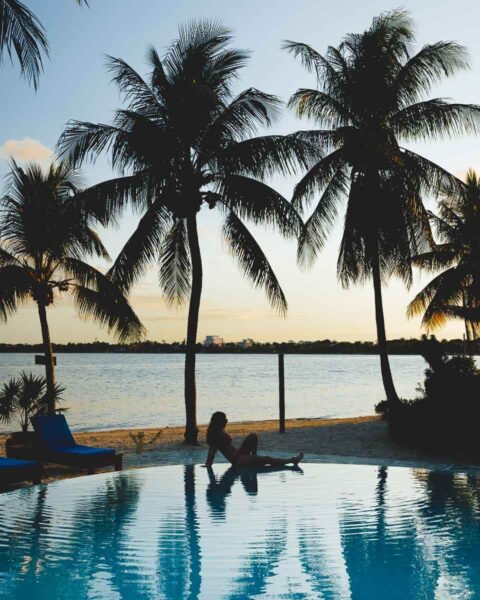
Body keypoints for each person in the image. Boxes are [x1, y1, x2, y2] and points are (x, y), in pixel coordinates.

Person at [204, 411, 303, 468]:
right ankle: (292, 460)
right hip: (237, 460)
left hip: (239, 454)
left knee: (253, 436)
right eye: (224, 420)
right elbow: (211, 454)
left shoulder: (220, 431)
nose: (226, 421)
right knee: (267, 459)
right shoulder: (215, 436)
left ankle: (254, 457)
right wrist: (208, 465)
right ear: (219, 422)